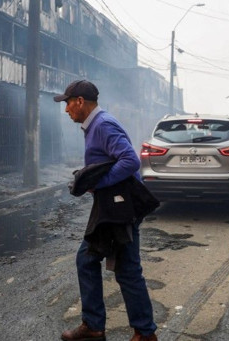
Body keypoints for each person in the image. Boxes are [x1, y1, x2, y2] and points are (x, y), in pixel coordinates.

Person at [55, 79, 158, 341]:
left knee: (115, 266)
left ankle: (130, 331)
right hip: (116, 207)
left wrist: (99, 183)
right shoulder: (96, 125)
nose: (66, 109)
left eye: (68, 103)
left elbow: (130, 160)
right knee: (101, 262)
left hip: (121, 208)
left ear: (80, 101)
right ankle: (110, 328)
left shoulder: (102, 125)